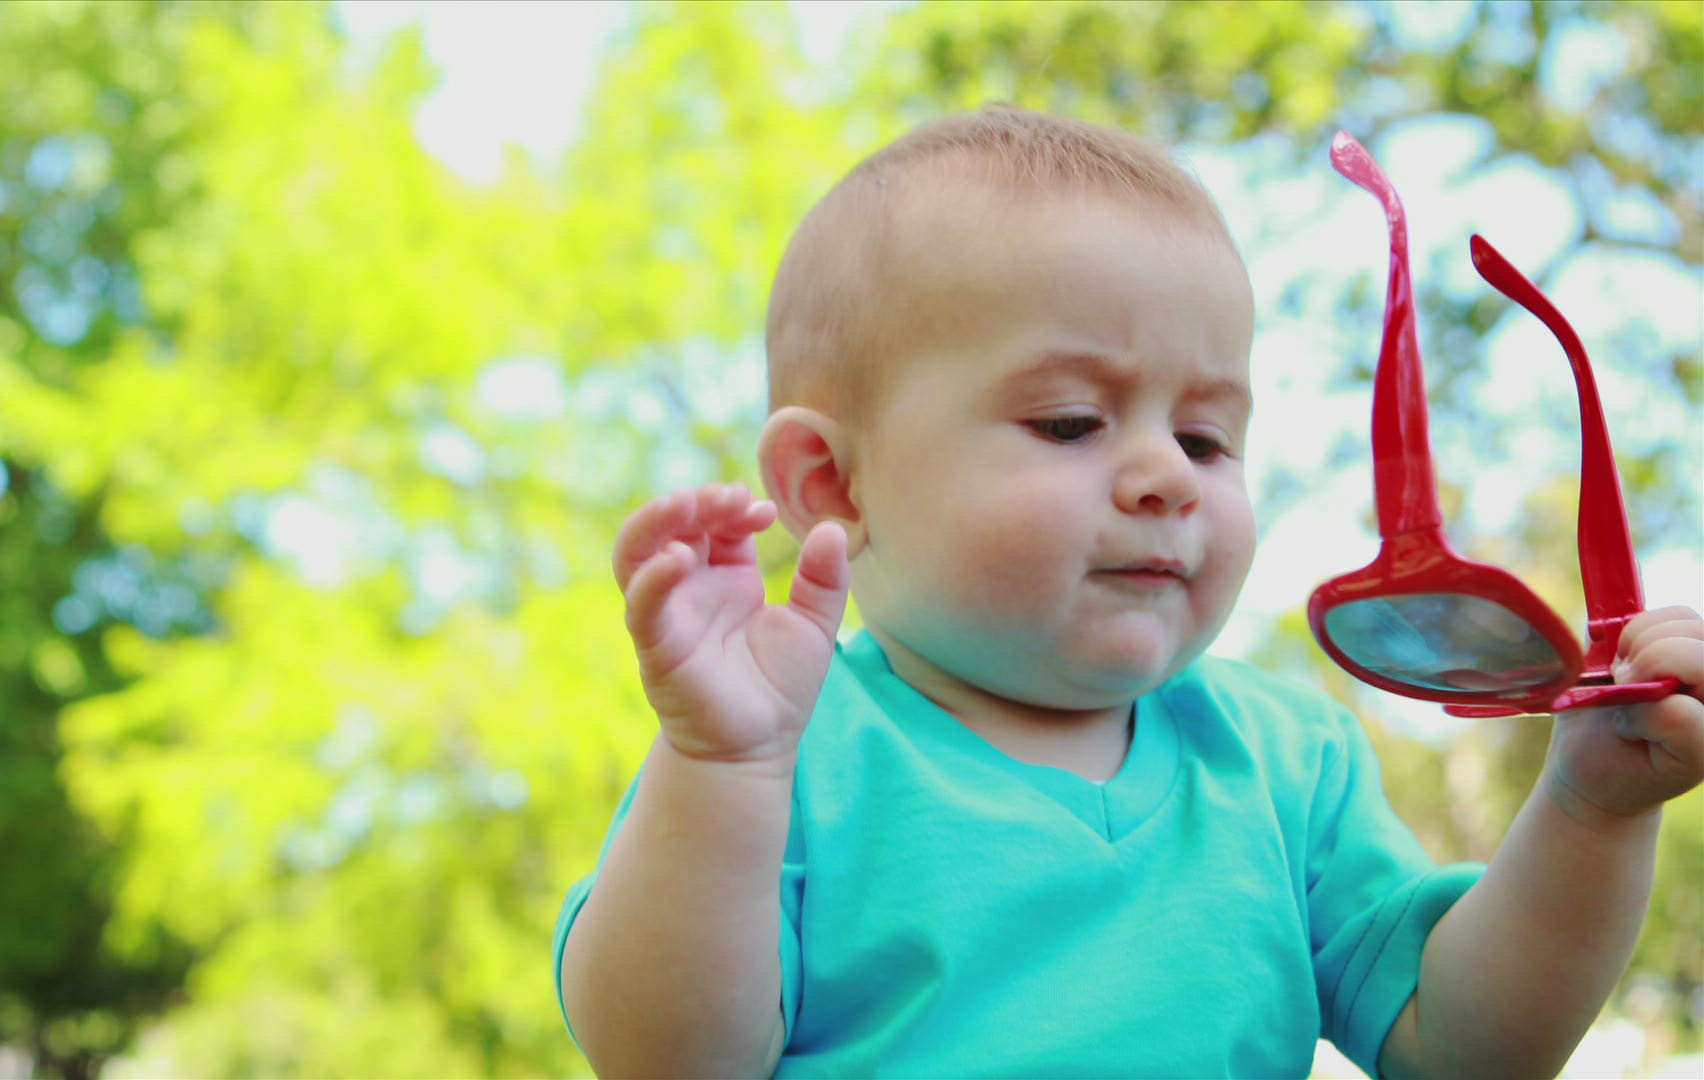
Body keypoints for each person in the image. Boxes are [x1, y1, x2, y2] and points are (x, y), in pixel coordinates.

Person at [552, 104, 1704, 1078]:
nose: (1165, 475)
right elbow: (666, 1059)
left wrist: (1590, 815)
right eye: (1069, 422)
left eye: (1204, 438)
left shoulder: (1283, 761)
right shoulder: (782, 757)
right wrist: (721, 767)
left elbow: (1463, 1048)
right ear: (833, 484)